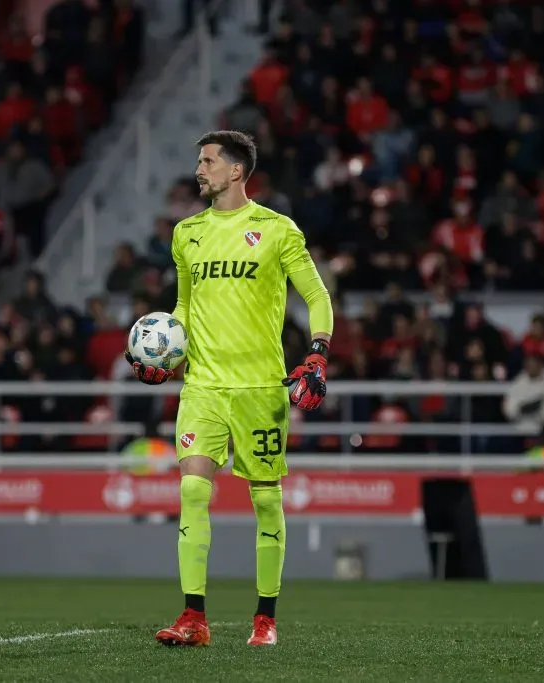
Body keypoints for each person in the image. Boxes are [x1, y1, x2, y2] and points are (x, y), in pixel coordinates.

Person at [126, 130, 333, 647]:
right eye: (199, 161)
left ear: (236, 170)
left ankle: (265, 619)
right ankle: (193, 617)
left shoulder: (277, 230)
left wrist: (317, 353)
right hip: (203, 386)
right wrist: (165, 350)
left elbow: (317, 296)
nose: (199, 170)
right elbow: (184, 306)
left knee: (266, 501)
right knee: (193, 490)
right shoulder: (186, 233)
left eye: (208, 161)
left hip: (261, 387)